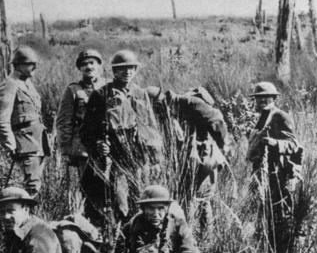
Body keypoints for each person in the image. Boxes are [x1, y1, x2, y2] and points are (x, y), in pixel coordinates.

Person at [80, 50, 165, 229]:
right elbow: (86, 130)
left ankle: (140, 239)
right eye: (122, 69)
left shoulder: (141, 94)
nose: (127, 72)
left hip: (140, 159)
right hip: (115, 160)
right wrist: (97, 145)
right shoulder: (101, 95)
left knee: (141, 200)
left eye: (131, 68)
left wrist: (156, 159)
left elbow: (151, 129)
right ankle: (120, 238)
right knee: (119, 204)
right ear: (114, 72)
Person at [157, 87, 231, 232]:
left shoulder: (190, 103)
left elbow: (217, 121)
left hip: (203, 158)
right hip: (187, 158)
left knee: (199, 198)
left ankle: (200, 236)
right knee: (191, 197)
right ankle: (192, 234)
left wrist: (223, 146)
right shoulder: (171, 108)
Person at [246, 81, 301, 253]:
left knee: (279, 216)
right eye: (258, 98)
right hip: (260, 173)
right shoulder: (261, 118)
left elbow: (293, 144)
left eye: (265, 98)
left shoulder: (281, 116)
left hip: (277, 175)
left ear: (273, 98)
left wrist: (275, 143)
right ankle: (262, 252)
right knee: (260, 213)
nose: (261, 101)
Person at [0, 47, 50, 196]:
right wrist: (10, 144)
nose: (34, 67)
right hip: (24, 142)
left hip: (37, 140)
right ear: (18, 65)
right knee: (32, 185)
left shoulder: (27, 84)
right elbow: (2, 118)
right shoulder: (10, 84)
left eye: (34, 63)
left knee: (36, 183)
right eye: (30, 64)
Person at [56, 49, 106, 175]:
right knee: (87, 185)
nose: (88, 66)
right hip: (82, 146)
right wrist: (66, 150)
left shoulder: (108, 87)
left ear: (99, 65)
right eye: (84, 64)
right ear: (80, 68)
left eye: (92, 63)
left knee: (109, 186)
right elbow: (64, 122)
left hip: (105, 144)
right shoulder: (73, 90)